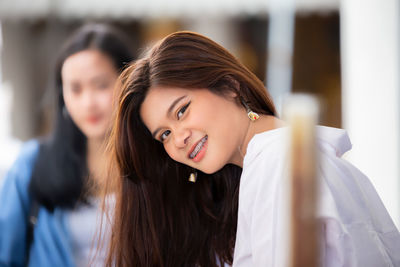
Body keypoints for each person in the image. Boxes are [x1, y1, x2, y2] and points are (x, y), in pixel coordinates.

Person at [105, 31, 400, 267]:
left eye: (182, 111)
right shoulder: (281, 161)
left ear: (230, 85)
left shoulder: (277, 163)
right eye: (164, 134)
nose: (178, 139)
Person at [0, 23, 134, 266]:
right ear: (63, 97)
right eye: (75, 89)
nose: (88, 102)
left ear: (128, 83)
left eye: (101, 85)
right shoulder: (30, 165)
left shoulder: (158, 158)